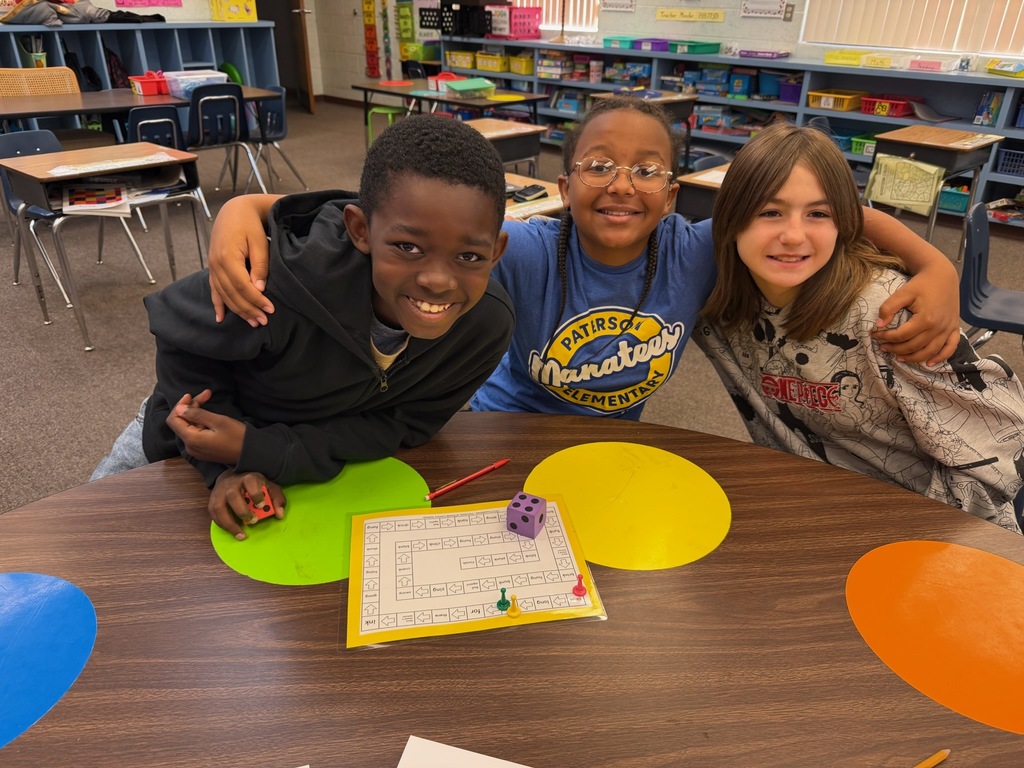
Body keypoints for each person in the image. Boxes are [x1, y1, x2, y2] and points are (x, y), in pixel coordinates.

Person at [204, 98, 962, 421]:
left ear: (675, 192)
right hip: (496, 429)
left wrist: (938, 268)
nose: (623, 184)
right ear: (564, 185)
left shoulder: (698, 250)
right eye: (599, 165)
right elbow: (389, 225)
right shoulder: (525, 248)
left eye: (647, 170)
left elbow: (837, 204)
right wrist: (244, 208)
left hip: (609, 443)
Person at [91, 115, 514, 540]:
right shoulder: (284, 279)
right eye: (408, 247)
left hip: (306, 469)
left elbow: (405, 426)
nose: (438, 281)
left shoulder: (485, 328)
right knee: (87, 546)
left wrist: (264, 452)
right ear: (360, 230)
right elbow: (182, 334)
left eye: (469, 257)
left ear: (495, 252)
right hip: (181, 446)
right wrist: (224, 467)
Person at [696, 122, 1024, 532]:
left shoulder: (887, 312)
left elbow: (999, 443)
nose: (793, 235)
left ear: (841, 224)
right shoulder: (712, 299)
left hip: (918, 529)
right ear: (731, 220)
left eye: (818, 214)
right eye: (769, 212)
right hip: (800, 509)